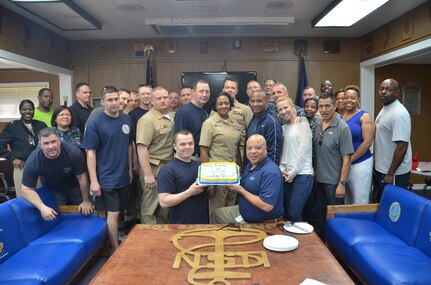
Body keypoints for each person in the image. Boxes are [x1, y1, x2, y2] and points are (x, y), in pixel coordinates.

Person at [82, 86, 133, 251]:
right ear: (102, 102)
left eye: (116, 99)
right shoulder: (95, 122)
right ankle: (115, 250)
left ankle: (116, 239)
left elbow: (129, 145)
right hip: (106, 178)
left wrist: (131, 168)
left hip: (124, 175)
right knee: (113, 214)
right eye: (109, 100)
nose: (114, 103)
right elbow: (91, 153)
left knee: (120, 212)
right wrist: (94, 181)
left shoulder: (126, 119)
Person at [21, 128, 93, 220]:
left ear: (59, 141)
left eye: (53, 142)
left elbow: (82, 177)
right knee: (57, 217)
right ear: (40, 145)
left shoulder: (73, 152)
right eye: (46, 143)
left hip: (75, 186)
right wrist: (42, 208)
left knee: (86, 211)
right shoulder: (33, 161)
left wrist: (86, 200)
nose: (50, 146)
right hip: (53, 189)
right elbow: (26, 190)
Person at [210, 134, 284, 224]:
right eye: (249, 148)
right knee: (216, 214)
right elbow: (248, 184)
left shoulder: (271, 172)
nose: (253, 152)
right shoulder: (251, 164)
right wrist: (233, 174)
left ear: (266, 149)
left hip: (261, 222)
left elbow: (267, 206)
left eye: (258, 148)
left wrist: (241, 190)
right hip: (243, 211)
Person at [312, 92, 353, 238]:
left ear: (335, 106)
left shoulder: (343, 128)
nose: (323, 109)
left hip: (334, 183)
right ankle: (321, 248)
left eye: (327, 106)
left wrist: (342, 183)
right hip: (318, 181)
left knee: (336, 219)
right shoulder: (317, 125)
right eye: (320, 106)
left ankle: (336, 251)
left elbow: (347, 158)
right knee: (319, 215)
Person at [136, 86, 174, 224]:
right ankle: (147, 240)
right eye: (159, 98)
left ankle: (161, 237)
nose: (163, 100)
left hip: (168, 167)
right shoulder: (147, 119)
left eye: (165, 97)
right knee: (150, 208)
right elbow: (141, 147)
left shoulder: (171, 117)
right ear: (152, 101)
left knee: (164, 207)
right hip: (153, 168)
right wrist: (147, 174)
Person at [200, 92, 241, 215]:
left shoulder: (235, 123)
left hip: (233, 173)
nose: (223, 106)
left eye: (226, 103)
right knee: (217, 211)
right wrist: (207, 180)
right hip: (217, 174)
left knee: (231, 207)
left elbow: (237, 148)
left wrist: (241, 169)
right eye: (220, 103)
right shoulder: (209, 123)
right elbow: (203, 150)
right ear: (216, 106)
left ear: (230, 104)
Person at [157, 130, 208, 224]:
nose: (187, 147)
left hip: (202, 224)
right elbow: (163, 202)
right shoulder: (168, 170)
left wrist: (215, 183)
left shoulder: (201, 166)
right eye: (183, 144)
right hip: (180, 225)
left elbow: (210, 195)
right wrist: (189, 192)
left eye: (190, 143)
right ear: (175, 146)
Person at [374, 78, 412, 202]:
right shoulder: (386, 108)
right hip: (382, 168)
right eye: (381, 89)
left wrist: (390, 174)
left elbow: (402, 146)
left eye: (388, 89)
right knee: (383, 203)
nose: (383, 92)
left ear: (397, 93)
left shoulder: (399, 113)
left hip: (394, 172)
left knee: (394, 207)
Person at [277, 96, 313, 222]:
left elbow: (303, 150)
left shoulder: (302, 122)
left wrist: (293, 172)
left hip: (302, 174)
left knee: (294, 212)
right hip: (286, 175)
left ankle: (301, 241)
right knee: (286, 212)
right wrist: (281, 168)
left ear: (293, 107)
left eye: (285, 107)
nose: (283, 111)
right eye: (279, 109)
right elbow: (283, 152)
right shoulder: (282, 128)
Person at [0, 99, 47, 196]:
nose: (27, 112)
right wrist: (12, 158)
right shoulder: (13, 127)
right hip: (22, 167)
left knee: (42, 197)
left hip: (41, 167)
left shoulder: (41, 125)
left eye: (30, 109)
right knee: (24, 199)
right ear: (20, 111)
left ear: (34, 110)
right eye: (24, 109)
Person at [341, 85, 375, 204]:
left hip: (360, 163)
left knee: (359, 200)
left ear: (358, 100)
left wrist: (350, 160)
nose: (349, 100)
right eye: (346, 98)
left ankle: (361, 223)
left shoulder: (365, 116)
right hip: (344, 165)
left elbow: (367, 143)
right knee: (346, 200)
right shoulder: (340, 117)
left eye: (352, 98)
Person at [174, 80, 210, 160]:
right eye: (201, 91)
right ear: (193, 92)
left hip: (202, 157)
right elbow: (179, 139)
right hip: (188, 158)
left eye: (207, 91)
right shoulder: (184, 112)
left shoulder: (204, 113)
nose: (204, 94)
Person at [246, 89, 282, 165]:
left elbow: (274, 153)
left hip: (266, 171)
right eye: (252, 101)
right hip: (252, 168)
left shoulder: (272, 122)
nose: (255, 104)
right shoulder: (253, 119)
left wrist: (270, 173)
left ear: (266, 102)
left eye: (259, 101)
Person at [221, 78, 253, 164]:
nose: (230, 90)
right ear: (223, 90)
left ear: (237, 91)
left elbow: (252, 131)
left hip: (240, 152)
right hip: (221, 152)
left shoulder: (245, 109)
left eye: (233, 88)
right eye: (227, 87)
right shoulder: (215, 109)